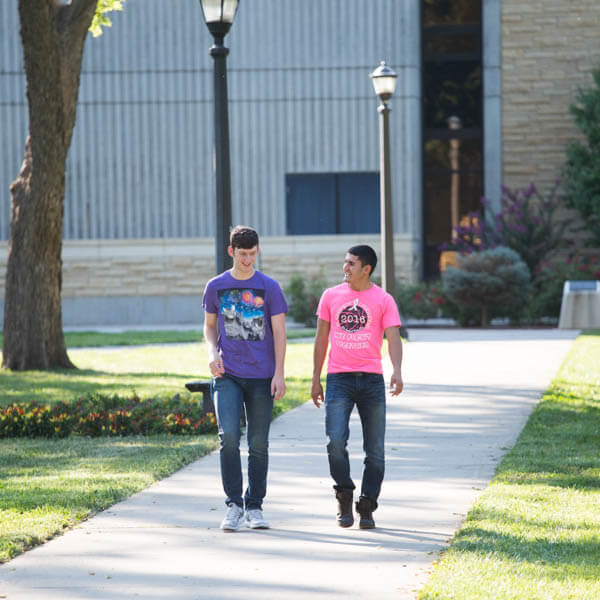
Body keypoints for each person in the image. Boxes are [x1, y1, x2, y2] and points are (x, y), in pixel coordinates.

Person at [311, 245, 403, 529]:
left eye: (351, 264)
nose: (345, 268)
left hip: (372, 380)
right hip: (339, 378)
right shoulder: (331, 296)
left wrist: (397, 370)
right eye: (345, 262)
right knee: (335, 442)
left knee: (375, 450)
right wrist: (316, 377)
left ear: (367, 269)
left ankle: (367, 505)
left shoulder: (383, 299)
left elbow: (393, 338)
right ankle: (344, 493)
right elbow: (321, 338)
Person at [203, 225, 288, 532]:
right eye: (242, 254)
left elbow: (279, 332)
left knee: (258, 443)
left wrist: (279, 373)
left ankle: (255, 506)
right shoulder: (216, 286)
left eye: (253, 254)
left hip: (262, 376)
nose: (248, 260)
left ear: (258, 251)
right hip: (228, 374)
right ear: (231, 252)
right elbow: (210, 326)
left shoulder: (270, 287)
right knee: (228, 438)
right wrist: (212, 353)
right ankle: (233, 505)